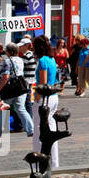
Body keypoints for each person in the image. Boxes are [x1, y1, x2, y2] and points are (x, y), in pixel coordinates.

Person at [31, 36, 65, 169]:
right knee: (52, 129)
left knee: (38, 131)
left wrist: (37, 97)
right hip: (53, 96)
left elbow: (43, 83)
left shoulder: (43, 60)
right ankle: (54, 162)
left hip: (44, 98)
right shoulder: (51, 59)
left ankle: (39, 161)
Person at [0, 43, 32, 137]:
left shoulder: (7, 61)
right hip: (20, 86)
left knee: (2, 108)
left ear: (9, 51)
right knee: (21, 109)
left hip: (10, 88)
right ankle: (30, 129)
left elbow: (6, 76)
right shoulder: (20, 60)